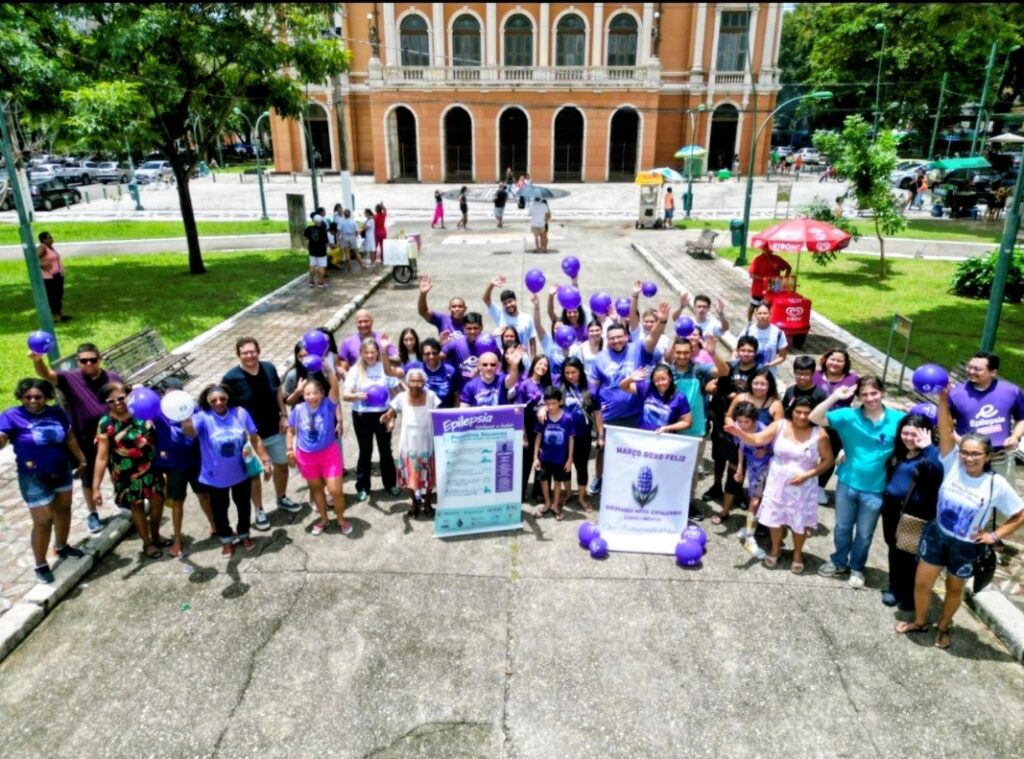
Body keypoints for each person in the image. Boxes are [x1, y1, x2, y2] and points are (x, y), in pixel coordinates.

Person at [895, 386, 1024, 650]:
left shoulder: (995, 484)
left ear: (987, 456)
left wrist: (995, 536)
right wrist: (943, 399)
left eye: (975, 454)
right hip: (936, 535)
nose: (968, 458)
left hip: (965, 546)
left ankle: (942, 627)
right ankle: (920, 621)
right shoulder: (951, 462)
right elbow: (944, 430)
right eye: (965, 451)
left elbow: (1020, 514)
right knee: (921, 583)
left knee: (954, 590)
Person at [810, 375, 904, 589]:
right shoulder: (847, 416)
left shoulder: (898, 419)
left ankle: (857, 567)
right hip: (847, 482)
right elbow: (815, 417)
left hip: (877, 488)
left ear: (883, 393)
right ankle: (839, 562)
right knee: (842, 527)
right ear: (858, 397)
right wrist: (834, 396)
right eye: (864, 394)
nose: (870, 398)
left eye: (874, 393)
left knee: (864, 533)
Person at [725, 397, 834, 572]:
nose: (802, 416)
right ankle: (775, 549)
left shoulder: (819, 433)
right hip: (777, 481)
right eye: (798, 411)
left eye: (807, 413)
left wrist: (807, 475)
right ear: (792, 410)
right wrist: (740, 434)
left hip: (803, 485)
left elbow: (828, 461)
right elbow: (757, 439)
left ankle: (797, 553)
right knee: (775, 517)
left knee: (799, 520)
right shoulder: (780, 425)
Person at [0, 378, 88, 583]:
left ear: (46, 397)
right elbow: (2, 438)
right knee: (43, 521)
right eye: (27, 397)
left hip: (61, 470)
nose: (32, 400)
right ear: (20, 397)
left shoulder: (56, 412)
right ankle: (40, 564)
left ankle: (62, 546)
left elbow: (70, 438)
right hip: (33, 477)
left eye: (37, 397)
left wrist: (82, 460)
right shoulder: (12, 415)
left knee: (64, 509)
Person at [30, 342, 124, 534]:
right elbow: (46, 375)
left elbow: (125, 398)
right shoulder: (69, 378)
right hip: (86, 439)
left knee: (118, 471)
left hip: (114, 436)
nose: (89, 363)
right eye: (84, 361)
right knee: (89, 479)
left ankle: (124, 502)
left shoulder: (112, 377)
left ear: (100, 359)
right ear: (77, 361)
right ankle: (93, 514)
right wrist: (38, 360)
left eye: (93, 360)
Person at [221, 337, 300, 531]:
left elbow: (278, 393)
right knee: (254, 475)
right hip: (249, 437)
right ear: (238, 355)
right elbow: (224, 404)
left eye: (252, 351)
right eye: (245, 353)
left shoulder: (269, 368)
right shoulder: (230, 378)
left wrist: (283, 415)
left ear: (259, 351)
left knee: (281, 466)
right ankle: (259, 510)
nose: (249, 355)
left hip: (275, 428)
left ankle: (281, 497)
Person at [183, 384, 270, 556]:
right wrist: (185, 422)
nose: (218, 402)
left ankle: (244, 534)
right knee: (219, 510)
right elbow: (191, 434)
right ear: (207, 402)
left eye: (222, 398)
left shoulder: (240, 413)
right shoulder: (202, 417)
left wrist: (266, 460)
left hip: (241, 473)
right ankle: (226, 540)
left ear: (228, 398)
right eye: (213, 400)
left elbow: (254, 437)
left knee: (243, 506)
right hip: (215, 477)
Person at [92, 382, 165, 560]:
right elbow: (101, 457)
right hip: (126, 474)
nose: (117, 403)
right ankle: (147, 543)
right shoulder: (105, 424)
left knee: (158, 502)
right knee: (137, 506)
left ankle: (155, 535)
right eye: (111, 401)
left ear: (128, 396)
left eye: (121, 398)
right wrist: (96, 487)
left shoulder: (142, 411)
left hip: (151, 468)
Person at [881, 413, 942, 612]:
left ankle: (908, 593)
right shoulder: (898, 452)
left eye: (914, 434)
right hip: (891, 508)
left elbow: (936, 472)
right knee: (893, 547)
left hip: (914, 513)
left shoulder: (929, 456)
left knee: (908, 554)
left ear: (925, 434)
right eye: (905, 433)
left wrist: (928, 447)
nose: (909, 438)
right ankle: (893, 587)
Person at [153, 378, 215, 557]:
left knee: (204, 496)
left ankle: (215, 526)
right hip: (174, 466)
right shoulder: (157, 413)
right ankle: (177, 540)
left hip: (195, 461)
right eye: (169, 392)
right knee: (177, 503)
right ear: (163, 393)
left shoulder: (193, 409)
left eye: (178, 392)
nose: (174, 396)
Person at [286, 363, 349, 536]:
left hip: (329, 454)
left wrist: (328, 369)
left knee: (336, 491)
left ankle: (341, 518)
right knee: (316, 490)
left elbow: (335, 387)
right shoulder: (298, 410)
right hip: (306, 457)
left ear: (322, 393)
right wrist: (289, 450)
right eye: (307, 394)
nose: (312, 397)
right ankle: (323, 519)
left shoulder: (328, 406)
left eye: (315, 393)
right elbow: (290, 431)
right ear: (303, 395)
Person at [947, 351, 1024, 482]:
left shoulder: (1012, 392)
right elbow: (944, 422)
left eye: (977, 369)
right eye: (969, 367)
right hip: (967, 458)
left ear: (993, 372)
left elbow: (1022, 418)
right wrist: (958, 439)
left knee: (1001, 500)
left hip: (1001, 458)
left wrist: (1015, 437)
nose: (970, 371)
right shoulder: (955, 394)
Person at [342, 336, 402, 502]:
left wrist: (392, 417)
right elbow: (345, 395)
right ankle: (362, 487)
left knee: (385, 451)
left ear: (378, 353)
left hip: (383, 415)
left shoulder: (385, 368)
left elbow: (396, 394)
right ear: (361, 353)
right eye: (366, 352)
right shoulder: (355, 370)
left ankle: (390, 484)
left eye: (373, 352)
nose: (370, 356)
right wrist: (356, 396)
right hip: (361, 416)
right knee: (365, 451)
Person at [703, 335, 762, 503]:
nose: (746, 354)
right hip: (722, 419)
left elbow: (765, 394)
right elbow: (711, 384)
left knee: (739, 458)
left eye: (750, 351)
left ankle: (735, 490)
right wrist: (717, 390)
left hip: (745, 424)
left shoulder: (760, 372)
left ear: (755, 352)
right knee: (719, 457)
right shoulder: (729, 367)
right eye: (742, 350)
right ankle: (716, 485)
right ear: (737, 350)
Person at [381, 368, 441, 518]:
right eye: (412, 380)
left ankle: (427, 502)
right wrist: (386, 417)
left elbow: (440, 415)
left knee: (429, 477)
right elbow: (391, 411)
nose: (415, 384)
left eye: (419, 380)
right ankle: (414, 503)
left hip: (427, 442)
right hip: (408, 444)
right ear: (407, 382)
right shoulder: (401, 397)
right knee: (409, 477)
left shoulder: (431, 396)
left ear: (424, 382)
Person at [720, 401, 772, 558]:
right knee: (755, 500)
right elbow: (741, 447)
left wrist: (766, 449)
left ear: (754, 419)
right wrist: (740, 467)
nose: (742, 425)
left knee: (755, 502)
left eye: (746, 422)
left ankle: (750, 537)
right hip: (752, 469)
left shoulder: (763, 429)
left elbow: (777, 447)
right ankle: (751, 527)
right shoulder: (737, 426)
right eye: (740, 421)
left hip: (767, 468)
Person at [813, 348, 859, 503]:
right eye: (832, 359)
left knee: (830, 456)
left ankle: (819, 486)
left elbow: (868, 395)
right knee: (810, 454)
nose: (835, 363)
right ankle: (806, 482)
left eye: (840, 361)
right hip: (814, 422)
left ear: (845, 363)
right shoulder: (815, 376)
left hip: (837, 426)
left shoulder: (852, 379)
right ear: (826, 359)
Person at [559, 357, 602, 512]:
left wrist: (600, 435)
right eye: (567, 373)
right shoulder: (560, 388)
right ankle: (569, 493)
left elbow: (597, 413)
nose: (570, 376)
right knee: (565, 466)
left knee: (582, 467)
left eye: (574, 372)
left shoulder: (590, 389)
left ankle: (582, 497)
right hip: (564, 436)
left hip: (583, 436)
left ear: (580, 371)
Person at [533, 387, 575, 521]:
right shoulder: (543, 417)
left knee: (558, 482)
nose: (551, 407)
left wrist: (569, 460)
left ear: (560, 402)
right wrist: (535, 457)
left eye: (554, 403)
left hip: (560, 459)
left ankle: (556, 505)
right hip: (544, 457)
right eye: (548, 404)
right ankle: (547, 503)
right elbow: (538, 437)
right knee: (544, 481)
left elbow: (571, 439)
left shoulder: (568, 418)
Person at [516, 353, 551, 503]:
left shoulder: (548, 386)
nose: (542, 367)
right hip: (528, 427)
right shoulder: (524, 384)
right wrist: (523, 435)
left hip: (544, 429)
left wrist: (545, 409)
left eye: (545, 365)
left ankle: (539, 492)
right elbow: (518, 410)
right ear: (534, 364)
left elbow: (554, 404)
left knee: (542, 460)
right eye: (540, 364)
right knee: (525, 461)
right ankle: (520, 491)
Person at [483, 276, 538, 356]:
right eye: (505, 303)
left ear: (516, 300)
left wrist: (533, 361)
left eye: (510, 301)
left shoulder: (527, 318)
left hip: (521, 359)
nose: (508, 305)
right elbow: (486, 299)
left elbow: (532, 341)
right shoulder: (499, 313)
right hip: (503, 358)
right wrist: (491, 284)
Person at [338, 309, 400, 375]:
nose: (363, 325)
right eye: (360, 322)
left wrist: (381, 357)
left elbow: (397, 361)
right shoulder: (348, 343)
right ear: (356, 323)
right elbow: (343, 369)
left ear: (372, 322)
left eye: (366, 321)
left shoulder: (383, 339)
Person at [460, 347, 526, 407]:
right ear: (479, 366)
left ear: (497, 366)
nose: (489, 368)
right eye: (485, 365)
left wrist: (514, 365)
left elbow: (512, 381)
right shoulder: (469, 386)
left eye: (493, 365)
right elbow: (463, 411)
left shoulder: (502, 380)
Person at [739, 303, 789, 373]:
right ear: (755, 314)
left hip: (769, 373)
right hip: (749, 372)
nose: (762, 316)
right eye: (760, 313)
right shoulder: (747, 331)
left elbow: (782, 356)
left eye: (765, 313)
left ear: (770, 314)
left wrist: (770, 365)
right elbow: (737, 351)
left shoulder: (778, 333)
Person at [417, 274, 467, 339]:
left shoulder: (470, 322)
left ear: (465, 308)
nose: (457, 309)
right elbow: (423, 312)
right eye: (454, 307)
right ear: (449, 308)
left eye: (460, 306)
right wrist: (423, 294)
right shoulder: (442, 319)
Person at [747, 249, 792, 322]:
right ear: (763, 249)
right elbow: (751, 274)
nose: (769, 251)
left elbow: (788, 267)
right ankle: (749, 322)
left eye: (771, 249)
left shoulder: (777, 259)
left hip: (774, 288)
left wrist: (785, 278)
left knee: (770, 306)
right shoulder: (758, 260)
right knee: (753, 304)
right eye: (767, 249)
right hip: (758, 288)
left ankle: (769, 322)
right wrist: (764, 279)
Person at [442, 311, 486, 381]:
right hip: (464, 387)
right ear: (464, 329)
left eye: (475, 328)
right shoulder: (457, 343)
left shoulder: (488, 342)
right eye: (469, 328)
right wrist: (439, 344)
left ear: (481, 327)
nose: (472, 331)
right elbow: (436, 357)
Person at [37, 231, 70, 322]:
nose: (52, 239)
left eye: (51, 237)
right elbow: (34, 258)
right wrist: (42, 265)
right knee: (53, 296)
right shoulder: (42, 248)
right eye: (49, 237)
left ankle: (60, 313)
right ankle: (56, 316)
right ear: (44, 240)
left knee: (59, 295)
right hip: (49, 277)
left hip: (57, 275)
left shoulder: (50, 247)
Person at [304, 213, 328, 289]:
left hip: (312, 249)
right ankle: (321, 283)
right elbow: (326, 242)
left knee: (312, 266)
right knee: (321, 267)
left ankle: (311, 282)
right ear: (320, 221)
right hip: (321, 251)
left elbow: (305, 237)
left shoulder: (309, 228)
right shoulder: (323, 231)